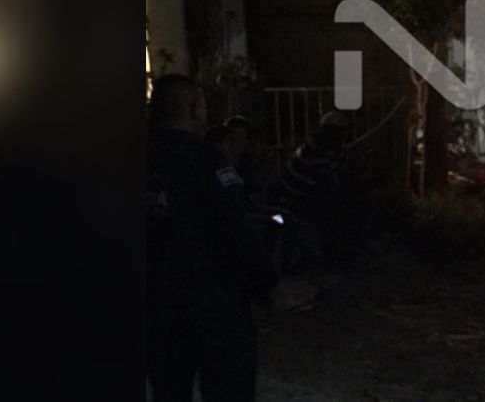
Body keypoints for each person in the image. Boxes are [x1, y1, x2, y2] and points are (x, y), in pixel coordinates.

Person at [147, 75, 278, 402]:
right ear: (194, 109)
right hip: (214, 303)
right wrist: (267, 281)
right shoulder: (205, 161)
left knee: (168, 390)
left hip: (155, 306)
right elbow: (239, 230)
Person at [279, 111, 359, 272]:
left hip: (305, 197)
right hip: (297, 201)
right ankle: (334, 259)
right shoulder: (315, 153)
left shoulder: (324, 148)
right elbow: (329, 184)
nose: (343, 136)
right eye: (340, 132)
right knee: (336, 213)